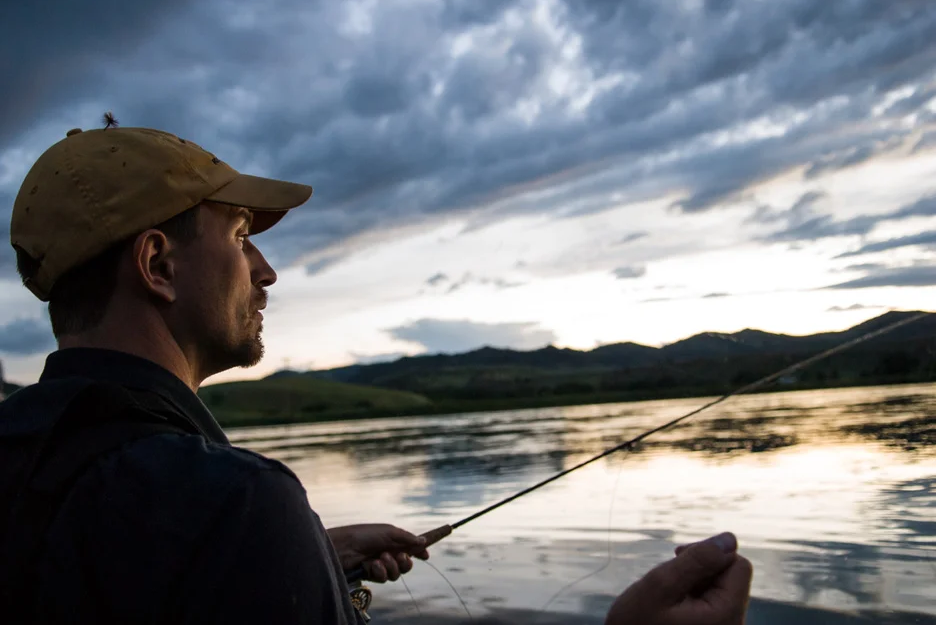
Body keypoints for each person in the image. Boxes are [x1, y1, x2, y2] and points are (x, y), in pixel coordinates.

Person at [0, 118, 752, 624]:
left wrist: (304, 560)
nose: (265, 271)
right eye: (238, 236)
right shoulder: (234, 503)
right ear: (158, 264)